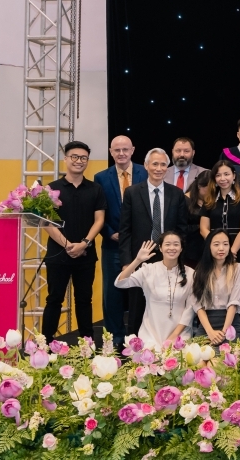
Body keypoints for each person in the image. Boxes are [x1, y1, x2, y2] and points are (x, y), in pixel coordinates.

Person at [119, 148, 189, 337]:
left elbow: (182, 229)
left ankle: (166, 345)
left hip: (169, 258)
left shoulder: (177, 194)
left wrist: (179, 257)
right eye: (155, 164)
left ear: (168, 167)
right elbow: (125, 230)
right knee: (136, 305)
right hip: (140, 256)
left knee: (168, 304)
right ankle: (134, 345)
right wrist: (127, 262)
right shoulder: (132, 193)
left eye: (163, 164)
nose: (159, 168)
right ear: (146, 165)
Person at [42, 141, 107, 344]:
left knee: (84, 300)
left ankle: (87, 344)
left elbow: (99, 220)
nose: (79, 161)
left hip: (86, 254)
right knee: (54, 299)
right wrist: (67, 245)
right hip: (57, 254)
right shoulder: (52, 189)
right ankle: (45, 344)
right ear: (66, 159)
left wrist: (84, 243)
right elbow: (46, 221)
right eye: (75, 157)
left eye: (83, 158)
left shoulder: (95, 189)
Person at [94, 135, 146, 347]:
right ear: (111, 152)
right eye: (117, 150)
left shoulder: (145, 172)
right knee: (112, 293)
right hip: (112, 244)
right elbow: (98, 210)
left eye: (125, 149)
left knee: (141, 291)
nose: (121, 153)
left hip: (141, 246)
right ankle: (114, 338)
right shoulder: (101, 177)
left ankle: (138, 336)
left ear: (132, 150)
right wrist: (108, 232)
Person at [116, 233, 194, 347]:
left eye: (176, 244)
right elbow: (120, 283)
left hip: (180, 335)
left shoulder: (191, 273)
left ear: (181, 248)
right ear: (160, 248)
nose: (172, 248)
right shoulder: (148, 269)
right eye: (167, 244)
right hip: (150, 335)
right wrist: (137, 260)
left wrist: (174, 337)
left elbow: (190, 309)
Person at [189, 229, 240, 342]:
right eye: (216, 244)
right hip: (207, 325)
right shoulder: (200, 272)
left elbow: (234, 303)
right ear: (209, 246)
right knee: (197, 353)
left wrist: (224, 332)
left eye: (225, 244)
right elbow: (198, 305)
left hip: (230, 325)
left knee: (226, 353)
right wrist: (210, 332)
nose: (221, 248)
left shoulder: (238, 269)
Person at [199, 160, 240, 271]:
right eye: (218, 175)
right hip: (213, 250)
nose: (222, 178)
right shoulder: (209, 199)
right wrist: (215, 246)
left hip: (238, 248)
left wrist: (232, 251)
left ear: (234, 176)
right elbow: (203, 228)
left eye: (226, 174)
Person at [182, 170, 211, 268]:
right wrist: (201, 226)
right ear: (199, 186)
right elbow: (180, 226)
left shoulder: (210, 201)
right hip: (190, 250)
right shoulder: (184, 200)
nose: (212, 192)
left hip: (206, 249)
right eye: (209, 189)